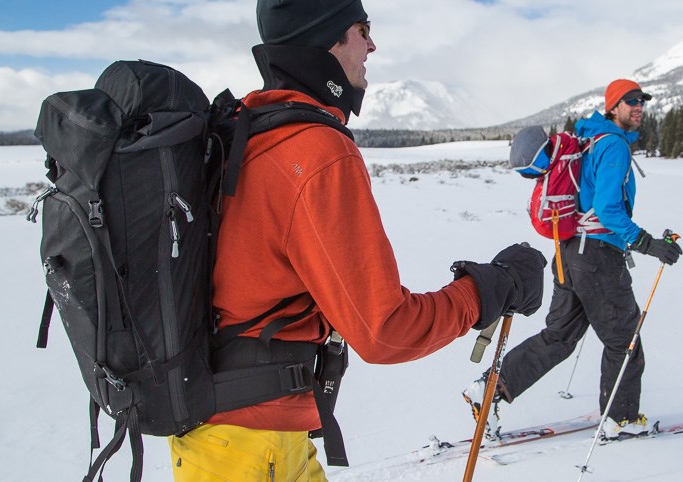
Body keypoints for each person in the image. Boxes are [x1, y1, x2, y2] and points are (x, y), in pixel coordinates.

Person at [167, 1, 547, 481]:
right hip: (249, 448)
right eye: (361, 29)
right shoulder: (313, 151)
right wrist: (492, 288)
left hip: (234, 437)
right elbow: (386, 330)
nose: (372, 45)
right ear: (325, 36)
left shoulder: (246, 134)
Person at [463, 79, 682, 441]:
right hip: (596, 259)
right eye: (630, 101)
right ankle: (621, 420)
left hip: (569, 253)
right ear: (613, 107)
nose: (638, 106)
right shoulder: (612, 146)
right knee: (624, 341)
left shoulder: (591, 140)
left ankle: (487, 391)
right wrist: (648, 243)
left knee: (558, 337)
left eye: (641, 100)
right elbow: (608, 210)